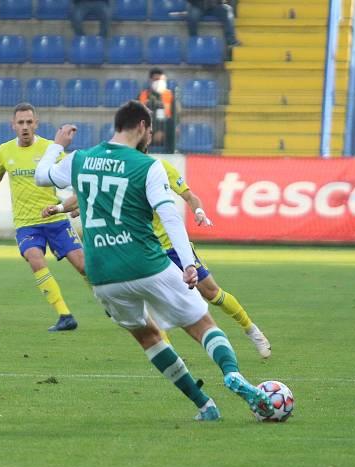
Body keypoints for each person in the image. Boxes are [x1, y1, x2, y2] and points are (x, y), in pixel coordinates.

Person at [35, 100, 273, 421]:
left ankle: (204, 405)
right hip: (147, 262)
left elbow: (41, 176)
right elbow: (169, 216)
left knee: (147, 336)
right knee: (202, 324)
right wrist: (188, 262)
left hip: (102, 274)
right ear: (143, 127)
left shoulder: (80, 158)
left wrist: (56, 146)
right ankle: (232, 374)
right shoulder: (147, 165)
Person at [45, 157, 272, 357]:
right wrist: (59, 208)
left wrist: (199, 212)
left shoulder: (159, 167)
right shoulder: (116, 169)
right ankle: (171, 355)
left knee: (212, 293)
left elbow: (190, 196)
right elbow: (84, 195)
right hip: (143, 249)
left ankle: (252, 331)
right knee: (147, 304)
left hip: (172, 246)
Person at [0, 103, 85, 331]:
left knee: (84, 267)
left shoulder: (51, 149)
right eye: (21, 122)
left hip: (55, 220)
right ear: (13, 125)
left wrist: (77, 203)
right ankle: (65, 315)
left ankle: (111, 303)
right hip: (26, 224)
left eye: (29, 122)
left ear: (36, 124)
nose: (25, 127)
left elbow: (72, 178)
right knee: (35, 259)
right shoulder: (5, 151)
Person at [138, 68, 176, 153]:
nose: (159, 82)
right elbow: (138, 116)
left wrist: (162, 131)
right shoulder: (143, 96)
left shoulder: (170, 95)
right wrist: (152, 132)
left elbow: (176, 116)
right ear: (150, 80)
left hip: (167, 132)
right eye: (156, 79)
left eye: (161, 79)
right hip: (147, 131)